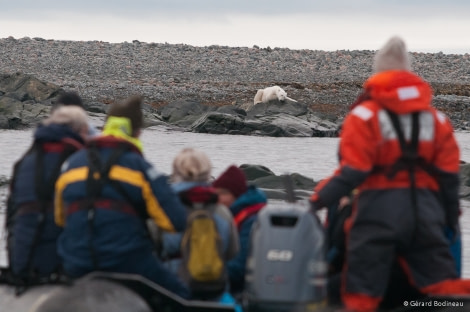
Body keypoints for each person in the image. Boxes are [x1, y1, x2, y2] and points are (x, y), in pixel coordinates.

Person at [310, 36, 470, 312]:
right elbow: (448, 178)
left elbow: (353, 172)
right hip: (425, 214)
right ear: (409, 74)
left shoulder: (363, 117)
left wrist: (315, 202)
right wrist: (450, 217)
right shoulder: (437, 120)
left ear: (378, 74)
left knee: (362, 292)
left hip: (377, 213)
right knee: (442, 288)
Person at [54, 95, 190, 298]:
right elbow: (175, 221)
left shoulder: (71, 165)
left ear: (105, 127)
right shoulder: (139, 169)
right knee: (181, 295)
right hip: (127, 262)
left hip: (76, 262)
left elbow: (60, 219)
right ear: (137, 132)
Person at [5, 106, 89, 288]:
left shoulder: (24, 161)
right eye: (86, 130)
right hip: (61, 265)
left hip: (21, 260)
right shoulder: (80, 160)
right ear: (78, 130)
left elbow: (10, 217)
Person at [161, 148, 239, 300]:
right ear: (208, 173)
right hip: (213, 290)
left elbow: (155, 246)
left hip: (173, 288)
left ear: (176, 172)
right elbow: (232, 252)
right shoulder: (222, 212)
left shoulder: (166, 207)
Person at [212, 165, 267, 294]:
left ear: (237, 195)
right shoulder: (233, 214)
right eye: (216, 193)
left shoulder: (252, 220)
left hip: (245, 288)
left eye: (224, 193)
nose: (218, 198)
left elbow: (241, 266)